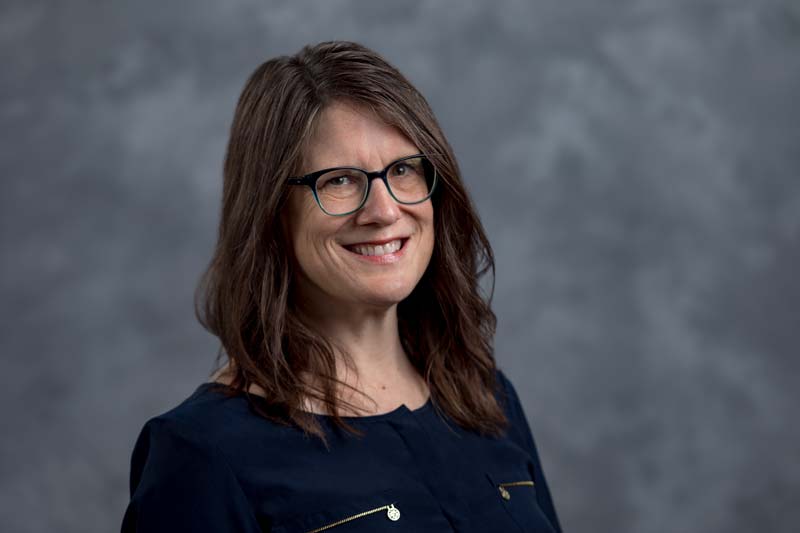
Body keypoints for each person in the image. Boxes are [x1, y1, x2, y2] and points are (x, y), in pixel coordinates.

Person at [121, 40, 563, 533]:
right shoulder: (202, 453)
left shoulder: (487, 401)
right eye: (339, 181)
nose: (384, 211)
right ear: (270, 212)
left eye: (402, 170)